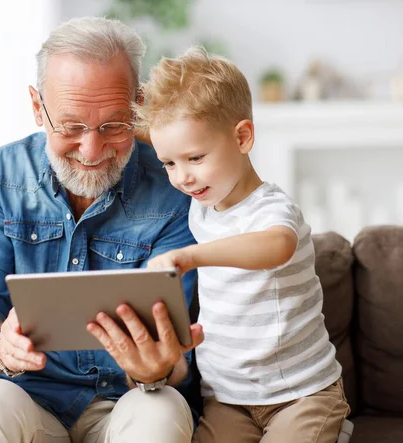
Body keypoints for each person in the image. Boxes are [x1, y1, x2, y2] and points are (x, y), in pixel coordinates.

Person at [0, 17, 204, 443]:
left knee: (161, 409)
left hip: (131, 400)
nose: (92, 150)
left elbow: (174, 349)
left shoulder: (177, 189)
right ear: (36, 107)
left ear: (138, 105)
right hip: (27, 398)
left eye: (114, 125)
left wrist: (154, 368)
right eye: (72, 126)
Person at [138, 47, 351, 443]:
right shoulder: (201, 206)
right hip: (227, 400)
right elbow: (161, 130)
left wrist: (191, 256)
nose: (182, 177)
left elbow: (276, 246)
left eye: (195, 158)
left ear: (242, 137)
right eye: (169, 163)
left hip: (301, 395)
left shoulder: (271, 208)